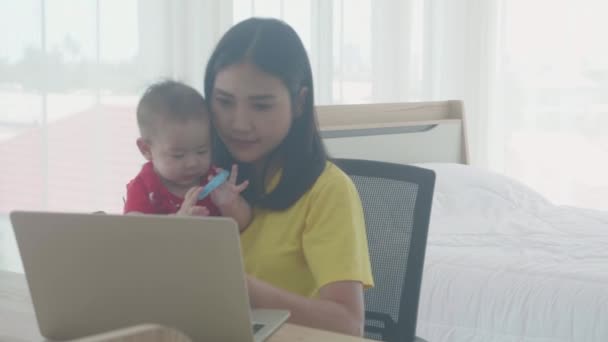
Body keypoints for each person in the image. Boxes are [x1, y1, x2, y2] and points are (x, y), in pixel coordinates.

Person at [202, 18, 374, 336]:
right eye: (224, 102)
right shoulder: (202, 178)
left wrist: (243, 290)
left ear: (299, 103)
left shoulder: (328, 191)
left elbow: (349, 324)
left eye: (261, 106)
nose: (239, 123)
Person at [123, 80, 251, 231]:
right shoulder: (144, 185)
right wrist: (177, 222)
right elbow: (131, 230)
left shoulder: (213, 180)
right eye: (178, 155)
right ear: (146, 150)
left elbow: (243, 225)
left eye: (202, 151)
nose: (192, 163)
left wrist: (230, 204)